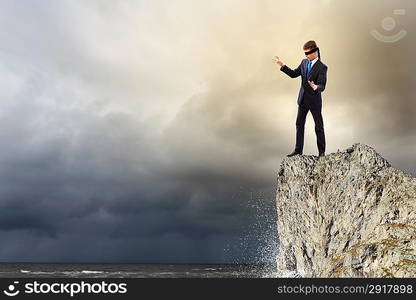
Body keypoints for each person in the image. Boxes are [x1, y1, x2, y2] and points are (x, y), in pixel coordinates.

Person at [273, 40, 328, 158]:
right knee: (299, 124)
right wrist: (282, 66)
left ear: (315, 51)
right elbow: (293, 74)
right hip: (302, 100)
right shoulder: (304, 63)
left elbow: (322, 85)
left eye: (308, 53)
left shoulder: (322, 67)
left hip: (314, 101)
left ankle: (322, 152)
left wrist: (316, 87)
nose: (307, 56)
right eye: (305, 54)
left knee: (318, 126)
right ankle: (298, 150)